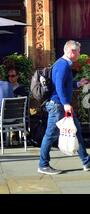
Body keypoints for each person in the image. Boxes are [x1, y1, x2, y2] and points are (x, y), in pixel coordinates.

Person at [38, 40, 90, 175]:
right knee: (50, 135)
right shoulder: (62, 65)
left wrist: (78, 83)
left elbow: (64, 85)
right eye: (78, 51)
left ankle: (86, 162)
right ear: (72, 51)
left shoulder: (64, 64)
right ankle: (43, 165)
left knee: (76, 131)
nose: (80, 53)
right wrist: (66, 104)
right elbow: (59, 86)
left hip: (60, 105)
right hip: (58, 106)